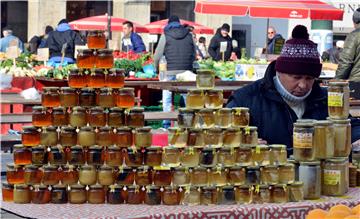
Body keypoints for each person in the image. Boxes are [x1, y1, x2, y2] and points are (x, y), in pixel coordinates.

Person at [226, 25, 360, 155]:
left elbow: (347, 124)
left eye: (309, 78)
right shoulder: (247, 99)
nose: (303, 85)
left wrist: (356, 137)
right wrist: (242, 142)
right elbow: (226, 134)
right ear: (279, 72)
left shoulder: (325, 99)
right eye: (296, 77)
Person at [154, 15, 196, 128]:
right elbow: (194, 53)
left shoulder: (165, 35)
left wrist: (156, 69)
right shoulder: (189, 34)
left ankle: (166, 125)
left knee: (167, 97)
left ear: (168, 24)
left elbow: (157, 55)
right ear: (179, 23)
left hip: (170, 71)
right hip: (186, 71)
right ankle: (189, 124)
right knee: (187, 97)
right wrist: (189, 67)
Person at [335, 7, 360, 81]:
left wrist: (337, 80)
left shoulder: (354, 36)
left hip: (357, 83)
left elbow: (346, 62)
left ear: (355, 21)